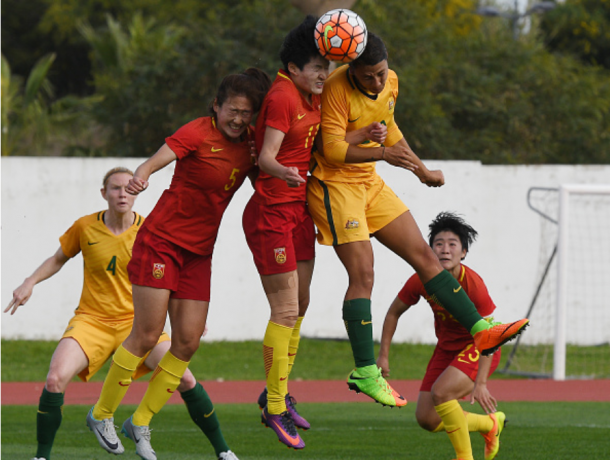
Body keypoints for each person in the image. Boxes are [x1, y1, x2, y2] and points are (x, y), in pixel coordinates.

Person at [306, 32, 529, 408]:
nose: (377, 81)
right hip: (335, 185)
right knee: (364, 273)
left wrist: (420, 170)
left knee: (426, 259)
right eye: (368, 77)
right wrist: (382, 153)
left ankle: (481, 330)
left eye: (381, 73)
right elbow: (332, 149)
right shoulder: (335, 87)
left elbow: (392, 130)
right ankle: (364, 370)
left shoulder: (391, 82)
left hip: (369, 183)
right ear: (352, 71)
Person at [85, 69, 271, 460]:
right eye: (232, 110)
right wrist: (140, 177)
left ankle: (140, 421)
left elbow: (267, 176)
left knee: (187, 342)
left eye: (247, 113)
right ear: (217, 106)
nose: (239, 119)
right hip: (162, 243)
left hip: (199, 253)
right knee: (148, 334)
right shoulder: (198, 131)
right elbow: (154, 162)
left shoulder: (253, 145)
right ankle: (101, 413)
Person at [4, 168, 238, 460]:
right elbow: (57, 259)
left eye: (128, 189)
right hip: (91, 321)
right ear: (104, 193)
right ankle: (41, 457)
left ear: (137, 192)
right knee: (54, 379)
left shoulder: (152, 230)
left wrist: (187, 316)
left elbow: (176, 270)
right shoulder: (85, 227)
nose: (122, 194)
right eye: (115, 188)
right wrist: (29, 282)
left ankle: (224, 451)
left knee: (186, 379)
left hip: (139, 323)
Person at [241, 16, 328, 449]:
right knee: (286, 311)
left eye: (326, 68)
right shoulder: (281, 97)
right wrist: (287, 173)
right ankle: (275, 406)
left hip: (298, 211)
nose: (323, 76)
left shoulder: (309, 94)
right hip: (272, 211)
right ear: (294, 68)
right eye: (317, 68)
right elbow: (267, 158)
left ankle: (275, 390)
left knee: (302, 304)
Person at [377, 212, 507, 460]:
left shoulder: (474, 286)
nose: (445, 250)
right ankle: (490, 425)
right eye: (438, 244)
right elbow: (393, 313)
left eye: (452, 244)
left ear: (463, 253)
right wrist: (383, 356)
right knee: (426, 418)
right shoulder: (420, 280)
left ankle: (464, 457)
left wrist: (480, 383)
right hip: (447, 349)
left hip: (479, 347)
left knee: (441, 393)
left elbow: (490, 335)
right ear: (430, 251)